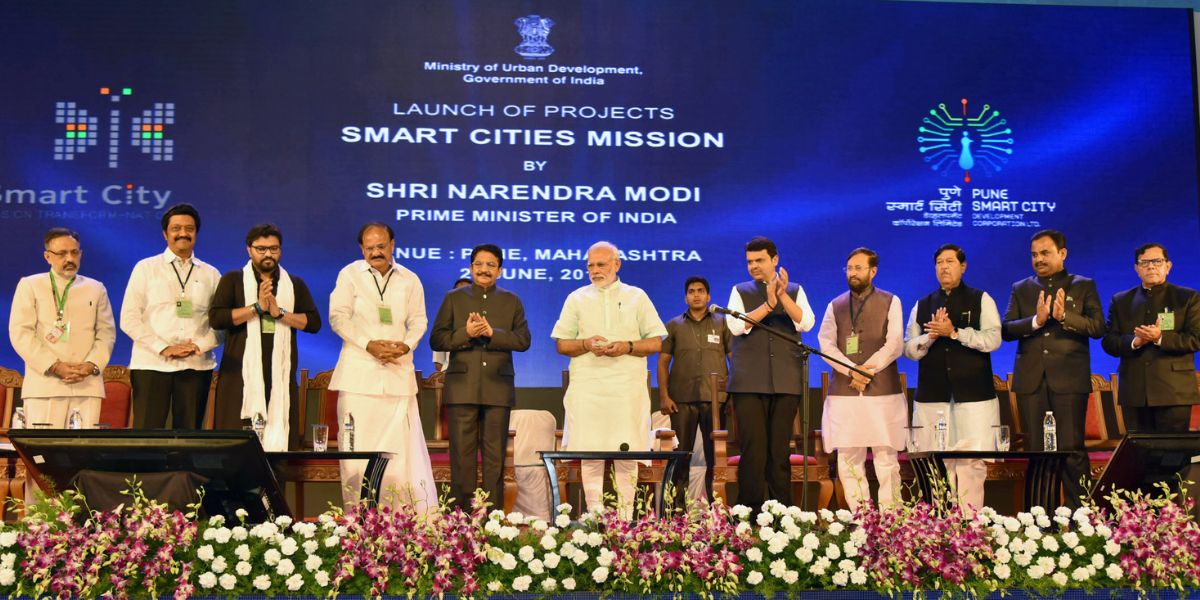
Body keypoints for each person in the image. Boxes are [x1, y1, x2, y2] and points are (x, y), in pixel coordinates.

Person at [551, 241, 666, 516]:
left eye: (601, 264)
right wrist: (586, 344)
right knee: (591, 453)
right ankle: (595, 519)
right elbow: (562, 344)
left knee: (626, 454)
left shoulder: (637, 296)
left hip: (626, 389)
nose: (594, 270)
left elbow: (655, 342)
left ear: (617, 264)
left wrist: (627, 346)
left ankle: (625, 520)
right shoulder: (576, 298)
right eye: (590, 265)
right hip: (588, 388)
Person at [328, 222, 436, 510]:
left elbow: (419, 320)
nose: (376, 252)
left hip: (398, 376)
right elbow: (338, 317)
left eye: (381, 246)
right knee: (357, 455)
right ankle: (359, 522)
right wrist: (368, 344)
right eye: (369, 247)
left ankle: (398, 524)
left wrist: (406, 345)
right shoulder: (349, 275)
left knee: (400, 459)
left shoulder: (410, 279)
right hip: (358, 378)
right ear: (362, 249)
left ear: (392, 245)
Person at [1002, 229, 1104, 508]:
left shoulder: (1083, 285)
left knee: (1072, 449)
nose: (1038, 259)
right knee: (1037, 451)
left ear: (1063, 253)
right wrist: (1035, 320)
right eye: (1034, 254)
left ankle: (1081, 520)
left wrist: (1064, 316)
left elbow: (1097, 328)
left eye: (1045, 253)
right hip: (1031, 381)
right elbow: (1007, 329)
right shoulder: (1021, 287)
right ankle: (1038, 521)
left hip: (1069, 380)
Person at [430, 244, 531, 511]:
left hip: (498, 387)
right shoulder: (454, 298)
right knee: (461, 458)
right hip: (462, 388)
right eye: (478, 264)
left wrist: (491, 333)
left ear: (500, 270)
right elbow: (437, 338)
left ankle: (493, 519)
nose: (484, 269)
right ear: (471, 267)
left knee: (494, 458)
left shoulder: (512, 300)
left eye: (490, 265)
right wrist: (466, 334)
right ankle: (461, 520)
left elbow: (523, 340)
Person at [903, 244, 1002, 513]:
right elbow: (909, 349)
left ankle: (970, 527)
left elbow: (993, 339)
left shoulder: (981, 299)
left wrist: (955, 332)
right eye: (939, 262)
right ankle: (938, 527)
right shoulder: (922, 304)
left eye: (950, 261)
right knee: (937, 462)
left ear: (963, 266)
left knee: (971, 463)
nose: (944, 267)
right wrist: (932, 336)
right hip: (932, 398)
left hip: (974, 397)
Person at [209, 224, 321, 451]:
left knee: (278, 452)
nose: (268, 254)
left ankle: (275, 488)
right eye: (261, 249)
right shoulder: (233, 280)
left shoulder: (294, 284)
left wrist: (279, 313)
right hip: (239, 378)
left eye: (274, 248)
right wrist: (256, 308)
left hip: (280, 377)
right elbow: (217, 318)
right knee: (235, 449)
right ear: (249, 250)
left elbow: (313, 323)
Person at [725, 236, 815, 507]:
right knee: (753, 452)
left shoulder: (795, 290)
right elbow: (736, 327)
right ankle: (748, 515)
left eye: (760, 260)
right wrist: (767, 303)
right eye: (750, 262)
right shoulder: (739, 290)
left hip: (786, 382)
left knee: (779, 452)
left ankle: (782, 516)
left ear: (774, 260)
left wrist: (781, 296)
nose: (754, 266)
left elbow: (806, 322)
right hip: (748, 385)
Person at [818, 247, 906, 510]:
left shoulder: (892, 301)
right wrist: (851, 371)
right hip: (845, 393)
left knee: (886, 458)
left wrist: (867, 370)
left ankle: (891, 520)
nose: (853, 273)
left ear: (873, 271)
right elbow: (826, 344)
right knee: (848, 458)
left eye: (859, 268)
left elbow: (895, 344)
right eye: (849, 268)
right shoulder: (835, 305)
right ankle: (862, 520)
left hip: (882, 392)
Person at [120, 203, 222, 429]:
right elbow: (129, 319)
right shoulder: (145, 268)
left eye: (189, 228)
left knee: (189, 437)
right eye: (176, 228)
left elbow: (221, 324)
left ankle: (185, 467)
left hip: (195, 366)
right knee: (147, 435)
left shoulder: (211, 274)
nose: (183, 234)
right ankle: (145, 467)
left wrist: (198, 346)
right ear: (165, 233)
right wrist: (163, 347)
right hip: (151, 364)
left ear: (196, 233)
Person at [9, 227, 116, 429]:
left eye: (74, 252)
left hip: (86, 385)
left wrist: (91, 365)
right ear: (47, 256)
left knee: (83, 454)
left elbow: (106, 334)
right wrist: (55, 366)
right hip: (45, 384)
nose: (69, 258)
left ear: (81, 254)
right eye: (62, 254)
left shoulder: (95, 288)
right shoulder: (30, 285)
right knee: (43, 453)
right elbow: (21, 333)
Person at [1101, 243, 1200, 432]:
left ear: (1168, 266)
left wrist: (1160, 338)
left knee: (1173, 456)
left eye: (1157, 261)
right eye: (1144, 262)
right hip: (1134, 392)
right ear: (1136, 268)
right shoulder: (1121, 300)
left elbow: (1196, 339)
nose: (1151, 266)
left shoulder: (1188, 298)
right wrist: (1134, 342)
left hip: (1174, 392)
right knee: (1139, 456)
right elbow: (1108, 341)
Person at [658, 275, 731, 510]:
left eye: (700, 291)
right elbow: (662, 363)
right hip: (681, 400)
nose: (696, 294)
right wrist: (664, 396)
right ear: (685, 296)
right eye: (691, 291)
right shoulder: (673, 325)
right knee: (681, 457)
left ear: (708, 296)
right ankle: (676, 511)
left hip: (716, 401)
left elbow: (734, 359)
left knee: (714, 458)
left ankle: (715, 510)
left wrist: (733, 393)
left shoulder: (723, 323)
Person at [431, 277, 472, 374]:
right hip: (451, 374)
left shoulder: (482, 318)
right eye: (459, 292)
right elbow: (438, 363)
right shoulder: (446, 320)